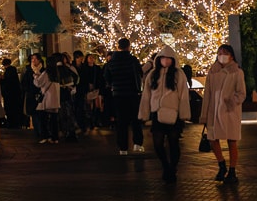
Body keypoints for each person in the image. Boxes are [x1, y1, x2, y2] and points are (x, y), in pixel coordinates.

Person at [137, 46, 191, 183]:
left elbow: (184, 95)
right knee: (158, 143)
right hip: (157, 113)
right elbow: (146, 95)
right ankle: (166, 166)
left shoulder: (179, 74)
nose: (165, 61)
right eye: (163, 58)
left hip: (174, 113)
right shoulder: (153, 74)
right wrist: (144, 113)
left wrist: (183, 113)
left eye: (168, 58)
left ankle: (172, 168)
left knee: (173, 143)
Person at [200, 45, 246, 183]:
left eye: (225, 52)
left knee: (232, 140)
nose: (222, 55)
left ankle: (232, 170)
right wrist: (204, 114)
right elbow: (207, 93)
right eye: (219, 53)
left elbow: (242, 93)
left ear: (231, 55)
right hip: (213, 111)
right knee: (213, 139)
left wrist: (231, 102)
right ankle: (221, 165)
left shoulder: (237, 72)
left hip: (229, 111)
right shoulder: (212, 71)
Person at [103, 37, 146, 155]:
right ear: (129, 46)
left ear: (118, 47)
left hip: (118, 94)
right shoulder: (133, 60)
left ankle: (123, 148)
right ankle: (137, 144)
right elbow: (140, 73)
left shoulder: (111, 62)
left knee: (121, 121)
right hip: (132, 93)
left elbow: (107, 77)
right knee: (136, 120)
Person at [33, 53, 60, 144]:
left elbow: (38, 83)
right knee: (54, 119)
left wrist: (36, 75)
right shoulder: (56, 73)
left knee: (43, 118)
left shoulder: (46, 73)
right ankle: (55, 137)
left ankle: (45, 136)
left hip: (47, 99)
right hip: (55, 99)